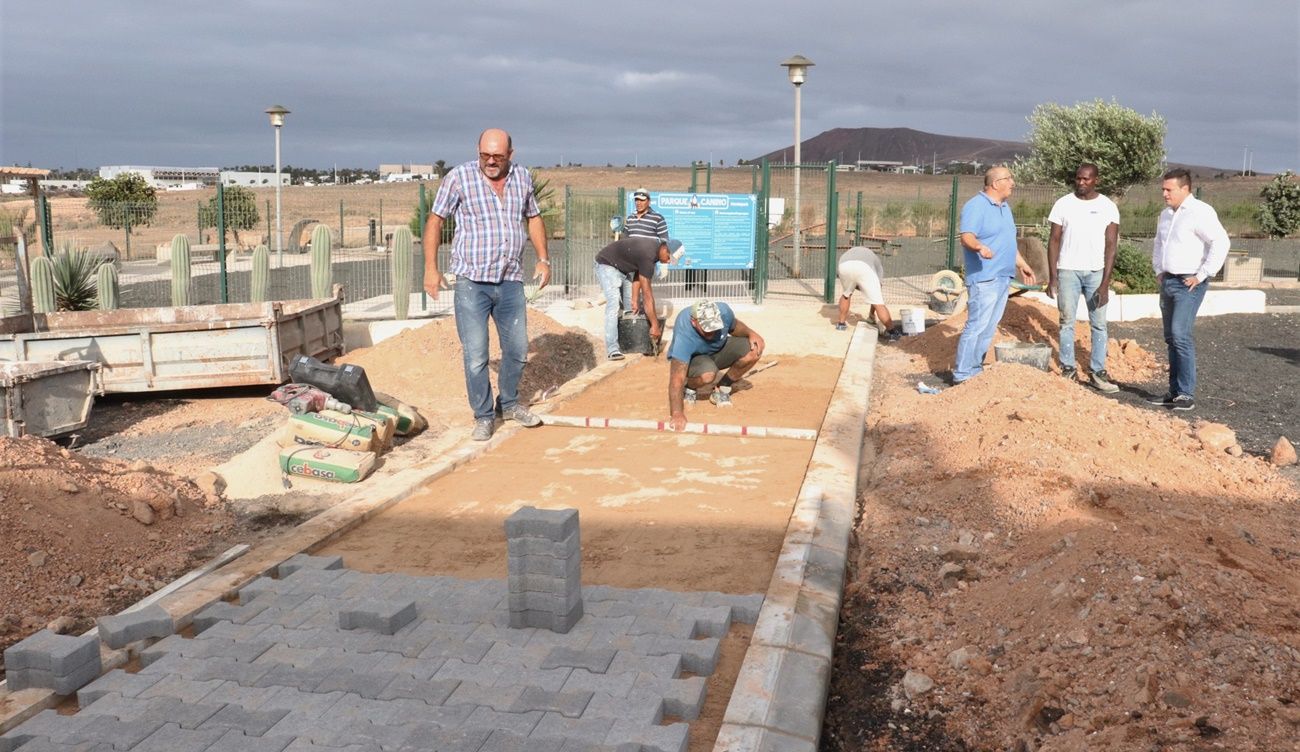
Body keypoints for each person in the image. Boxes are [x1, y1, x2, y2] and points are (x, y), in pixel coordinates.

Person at [422, 128, 551, 441]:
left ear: (511, 154)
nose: (491, 162)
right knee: (477, 356)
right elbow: (436, 219)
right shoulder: (459, 178)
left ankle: (507, 404)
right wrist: (430, 268)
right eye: (485, 155)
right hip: (472, 283)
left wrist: (543, 258)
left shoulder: (521, 177)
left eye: (498, 156)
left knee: (518, 351)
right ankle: (482, 416)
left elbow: (533, 217)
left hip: (510, 281)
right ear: (477, 151)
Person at [1145, 168, 1230, 412]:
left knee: (1180, 335)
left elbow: (1221, 242)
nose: (1164, 194)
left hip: (1188, 284)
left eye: (1169, 190)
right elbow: (1159, 244)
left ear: (1185, 189)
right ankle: (1174, 392)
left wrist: (1202, 274)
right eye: (1163, 189)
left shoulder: (1200, 212)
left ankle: (1185, 393)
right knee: (1171, 338)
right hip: (1168, 281)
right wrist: (1158, 269)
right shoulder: (1165, 215)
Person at [951, 166, 1038, 384]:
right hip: (984, 278)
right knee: (977, 325)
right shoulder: (976, 206)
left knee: (989, 326)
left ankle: (975, 369)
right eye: (1009, 179)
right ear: (995, 183)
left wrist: (1022, 264)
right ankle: (962, 374)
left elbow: (1008, 241)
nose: (1013, 183)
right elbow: (967, 237)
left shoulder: (1005, 207)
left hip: (1003, 277)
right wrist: (979, 247)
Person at [1046, 163, 1121, 392]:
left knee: (1098, 324)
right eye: (1078, 178)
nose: (1081, 183)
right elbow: (1054, 240)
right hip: (1068, 271)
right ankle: (1068, 368)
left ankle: (1098, 372)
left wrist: (1105, 283)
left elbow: (1111, 246)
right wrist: (1053, 276)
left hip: (1096, 273)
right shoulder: (1063, 204)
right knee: (1066, 321)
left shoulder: (1108, 207)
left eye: (1086, 179)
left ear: (1096, 180)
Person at [666, 301, 765, 431]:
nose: (711, 332)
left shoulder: (723, 311)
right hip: (696, 358)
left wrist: (751, 333)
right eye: (707, 329)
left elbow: (735, 326)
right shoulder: (684, 331)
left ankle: (721, 388)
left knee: (754, 350)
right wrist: (677, 413)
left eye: (714, 327)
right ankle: (690, 387)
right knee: (708, 375)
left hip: (719, 350)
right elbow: (676, 378)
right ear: (694, 322)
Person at [594, 236, 672, 360]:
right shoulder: (648, 254)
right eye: (669, 258)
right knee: (614, 302)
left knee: (631, 306)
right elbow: (647, 295)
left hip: (622, 269)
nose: (668, 262)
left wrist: (634, 299)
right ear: (665, 249)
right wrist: (655, 325)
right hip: (606, 264)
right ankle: (613, 349)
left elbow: (638, 273)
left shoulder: (653, 253)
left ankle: (632, 344)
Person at [834, 245, 900, 341]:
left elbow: (851, 278)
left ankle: (841, 324)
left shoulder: (851, 252)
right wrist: (872, 314)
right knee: (878, 302)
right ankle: (893, 332)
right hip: (864, 268)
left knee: (846, 294)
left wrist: (871, 316)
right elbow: (878, 291)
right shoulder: (877, 263)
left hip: (844, 266)